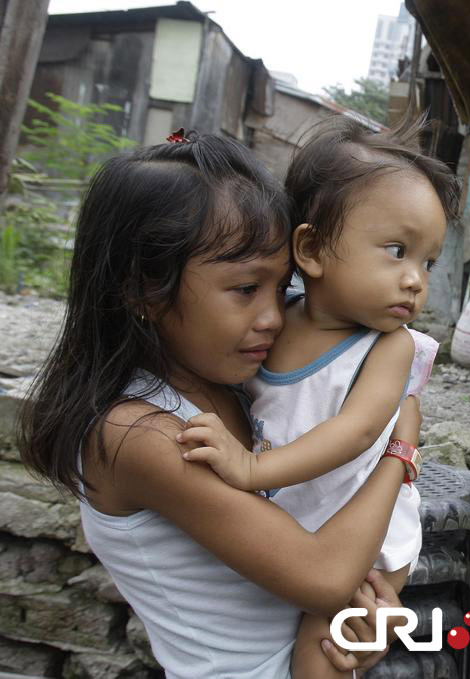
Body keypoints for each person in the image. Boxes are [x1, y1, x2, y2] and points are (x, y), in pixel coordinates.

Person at [17, 132, 418, 679]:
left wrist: (369, 609)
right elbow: (324, 575)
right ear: (141, 290)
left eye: (281, 289)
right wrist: (398, 446)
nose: (274, 317)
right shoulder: (141, 435)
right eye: (245, 289)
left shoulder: (236, 384)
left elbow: (330, 545)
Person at [175, 116, 459, 678]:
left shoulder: (390, 348)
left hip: (364, 538)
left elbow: (354, 432)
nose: (415, 280)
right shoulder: (273, 325)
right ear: (312, 248)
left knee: (322, 651)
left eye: (428, 261)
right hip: (299, 525)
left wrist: (253, 470)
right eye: (397, 250)